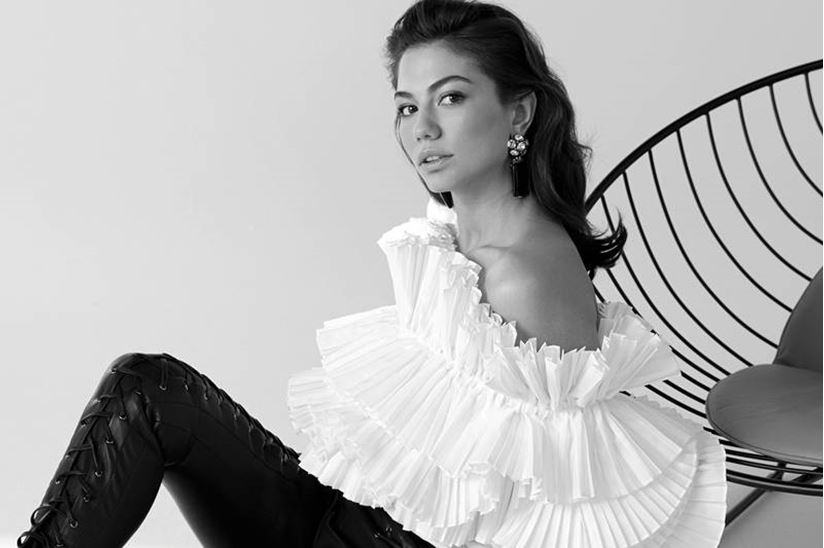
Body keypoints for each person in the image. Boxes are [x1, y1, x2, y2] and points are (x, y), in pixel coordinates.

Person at [17, 0, 727, 546]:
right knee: (147, 388)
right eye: (407, 106)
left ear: (519, 110)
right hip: (332, 517)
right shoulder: (452, 238)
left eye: (451, 97)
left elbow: (567, 515)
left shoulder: (525, 277)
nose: (422, 129)